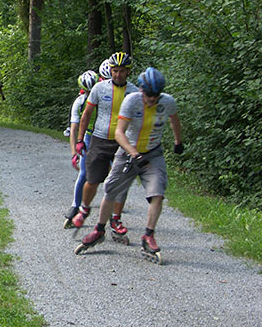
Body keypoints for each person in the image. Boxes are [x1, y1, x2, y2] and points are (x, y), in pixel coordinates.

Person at [75, 67, 184, 263]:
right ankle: (99, 230)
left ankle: (148, 235)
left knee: (157, 193)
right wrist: (133, 153)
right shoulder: (131, 101)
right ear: (142, 90)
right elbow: (119, 133)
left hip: (152, 153)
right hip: (127, 151)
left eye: (155, 95)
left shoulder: (167, 102)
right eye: (149, 95)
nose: (152, 99)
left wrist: (178, 142)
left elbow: (174, 119)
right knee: (110, 190)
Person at [65, 52, 138, 238]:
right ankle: (84, 208)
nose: (118, 74)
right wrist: (80, 140)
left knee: (121, 183)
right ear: (110, 71)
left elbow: (140, 119)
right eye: (115, 71)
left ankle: (115, 218)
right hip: (100, 138)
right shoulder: (99, 88)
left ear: (128, 72)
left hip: (123, 142)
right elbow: (87, 114)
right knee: (93, 178)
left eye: (122, 71)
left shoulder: (134, 92)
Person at [66, 70, 99, 225]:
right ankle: (75, 206)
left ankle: (115, 209)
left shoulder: (104, 97)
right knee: (84, 173)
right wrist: (74, 153)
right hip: (88, 136)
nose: (90, 94)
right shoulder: (79, 102)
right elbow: (74, 128)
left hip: (105, 137)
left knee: (113, 172)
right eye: (87, 91)